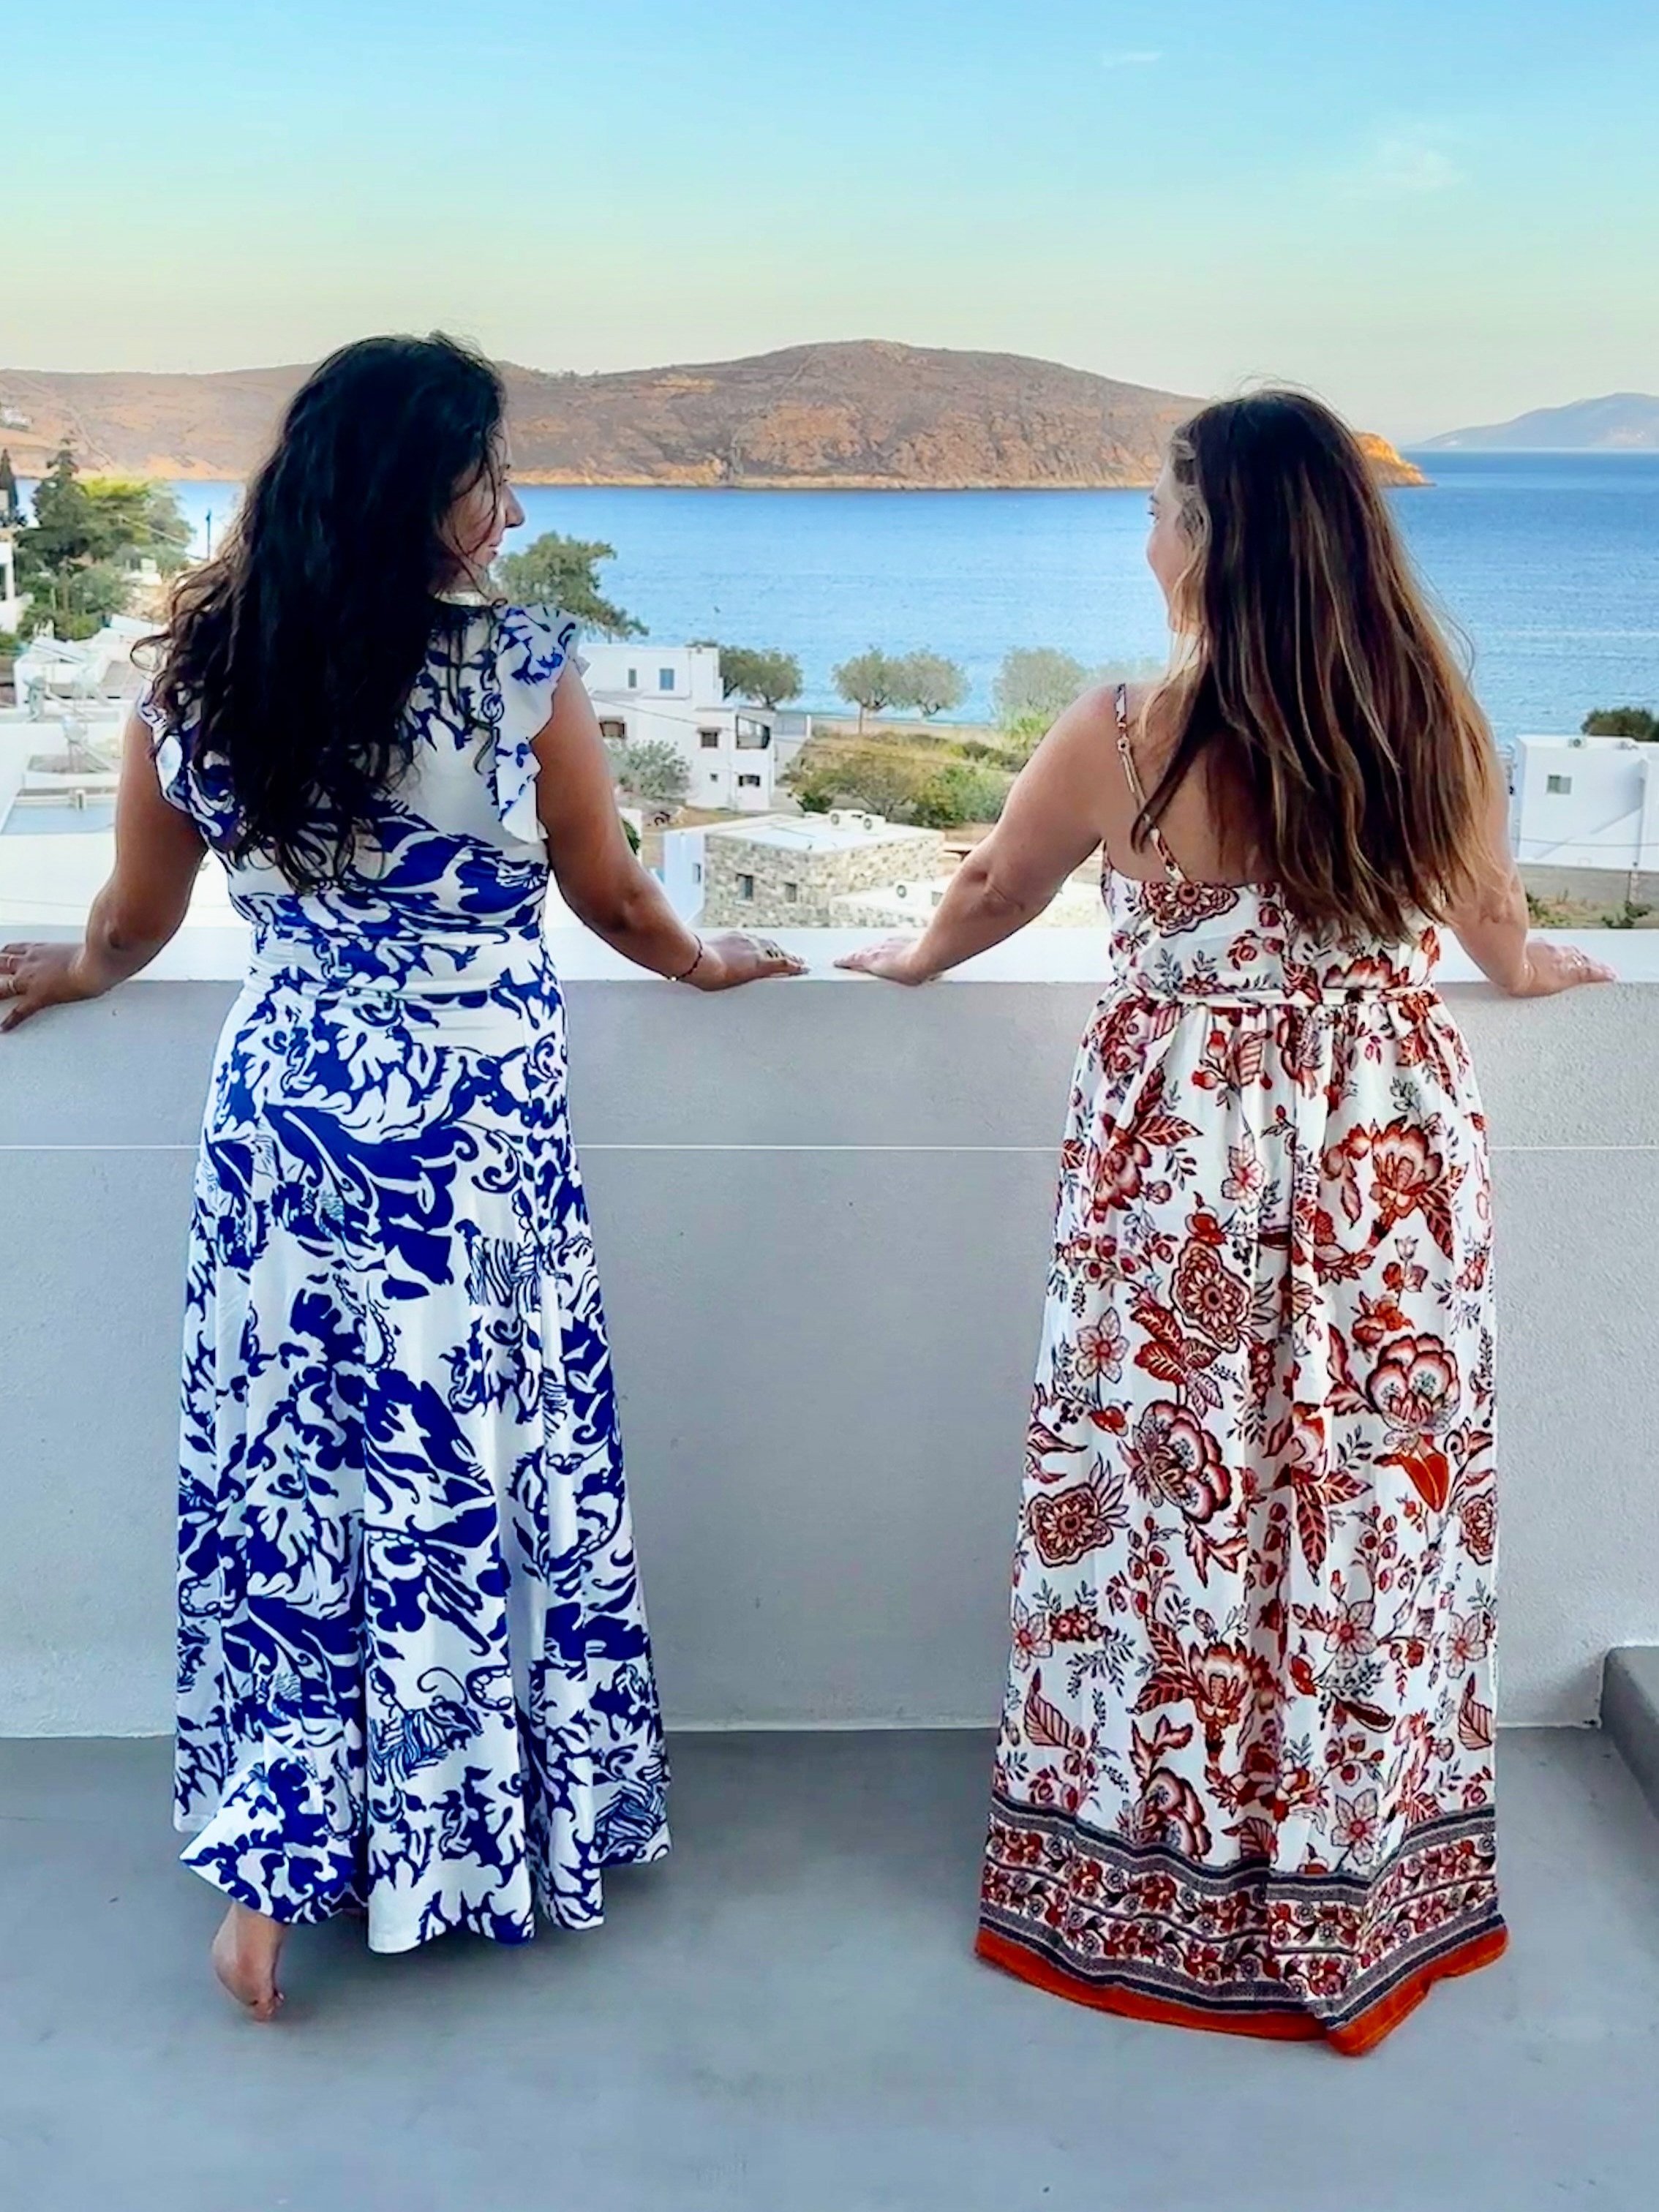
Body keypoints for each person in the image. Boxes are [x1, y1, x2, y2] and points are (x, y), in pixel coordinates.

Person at [0, 334, 802, 2020]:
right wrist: (706, 964)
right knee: (473, 1472)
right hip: (470, 1144)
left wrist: (72, 976)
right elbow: (613, 892)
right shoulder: (521, 667)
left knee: (291, 1476)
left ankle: (274, 1875)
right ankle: (489, 1833)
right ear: (433, 500)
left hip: (289, 1119)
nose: (507, 507)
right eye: (488, 478)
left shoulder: (200, 670)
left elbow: (140, 921)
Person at [839, 390, 1613, 2052]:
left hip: (1181, 1170)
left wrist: (911, 963)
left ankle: (1152, 1855)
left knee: (1167, 1500)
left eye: (1162, 511)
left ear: (1215, 540)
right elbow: (1494, 916)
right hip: (1388, 1164)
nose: (1147, 539)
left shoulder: (1124, 731)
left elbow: (991, 894)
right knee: (1361, 1507)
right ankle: (1358, 1862)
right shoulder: (1432, 719)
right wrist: (1536, 975)